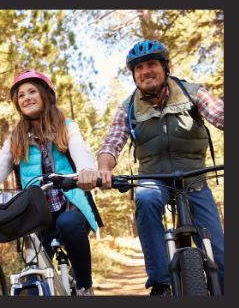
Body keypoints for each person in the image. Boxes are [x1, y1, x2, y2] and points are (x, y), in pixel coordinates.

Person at [95, 40, 224, 295]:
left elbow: (220, 113)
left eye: (152, 64)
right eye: (139, 68)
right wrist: (104, 168)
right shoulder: (128, 107)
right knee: (146, 198)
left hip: (194, 177)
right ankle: (160, 283)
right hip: (153, 177)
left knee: (220, 255)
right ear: (134, 75)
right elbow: (112, 144)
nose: (146, 71)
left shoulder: (191, 92)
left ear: (165, 68)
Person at [0, 69, 102, 296]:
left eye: (32, 91)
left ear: (45, 95)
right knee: (34, 272)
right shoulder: (16, 138)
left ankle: (85, 286)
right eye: (21, 95)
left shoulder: (67, 126)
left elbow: (80, 149)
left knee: (68, 223)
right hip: (36, 215)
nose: (26, 98)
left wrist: (86, 171)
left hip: (70, 205)